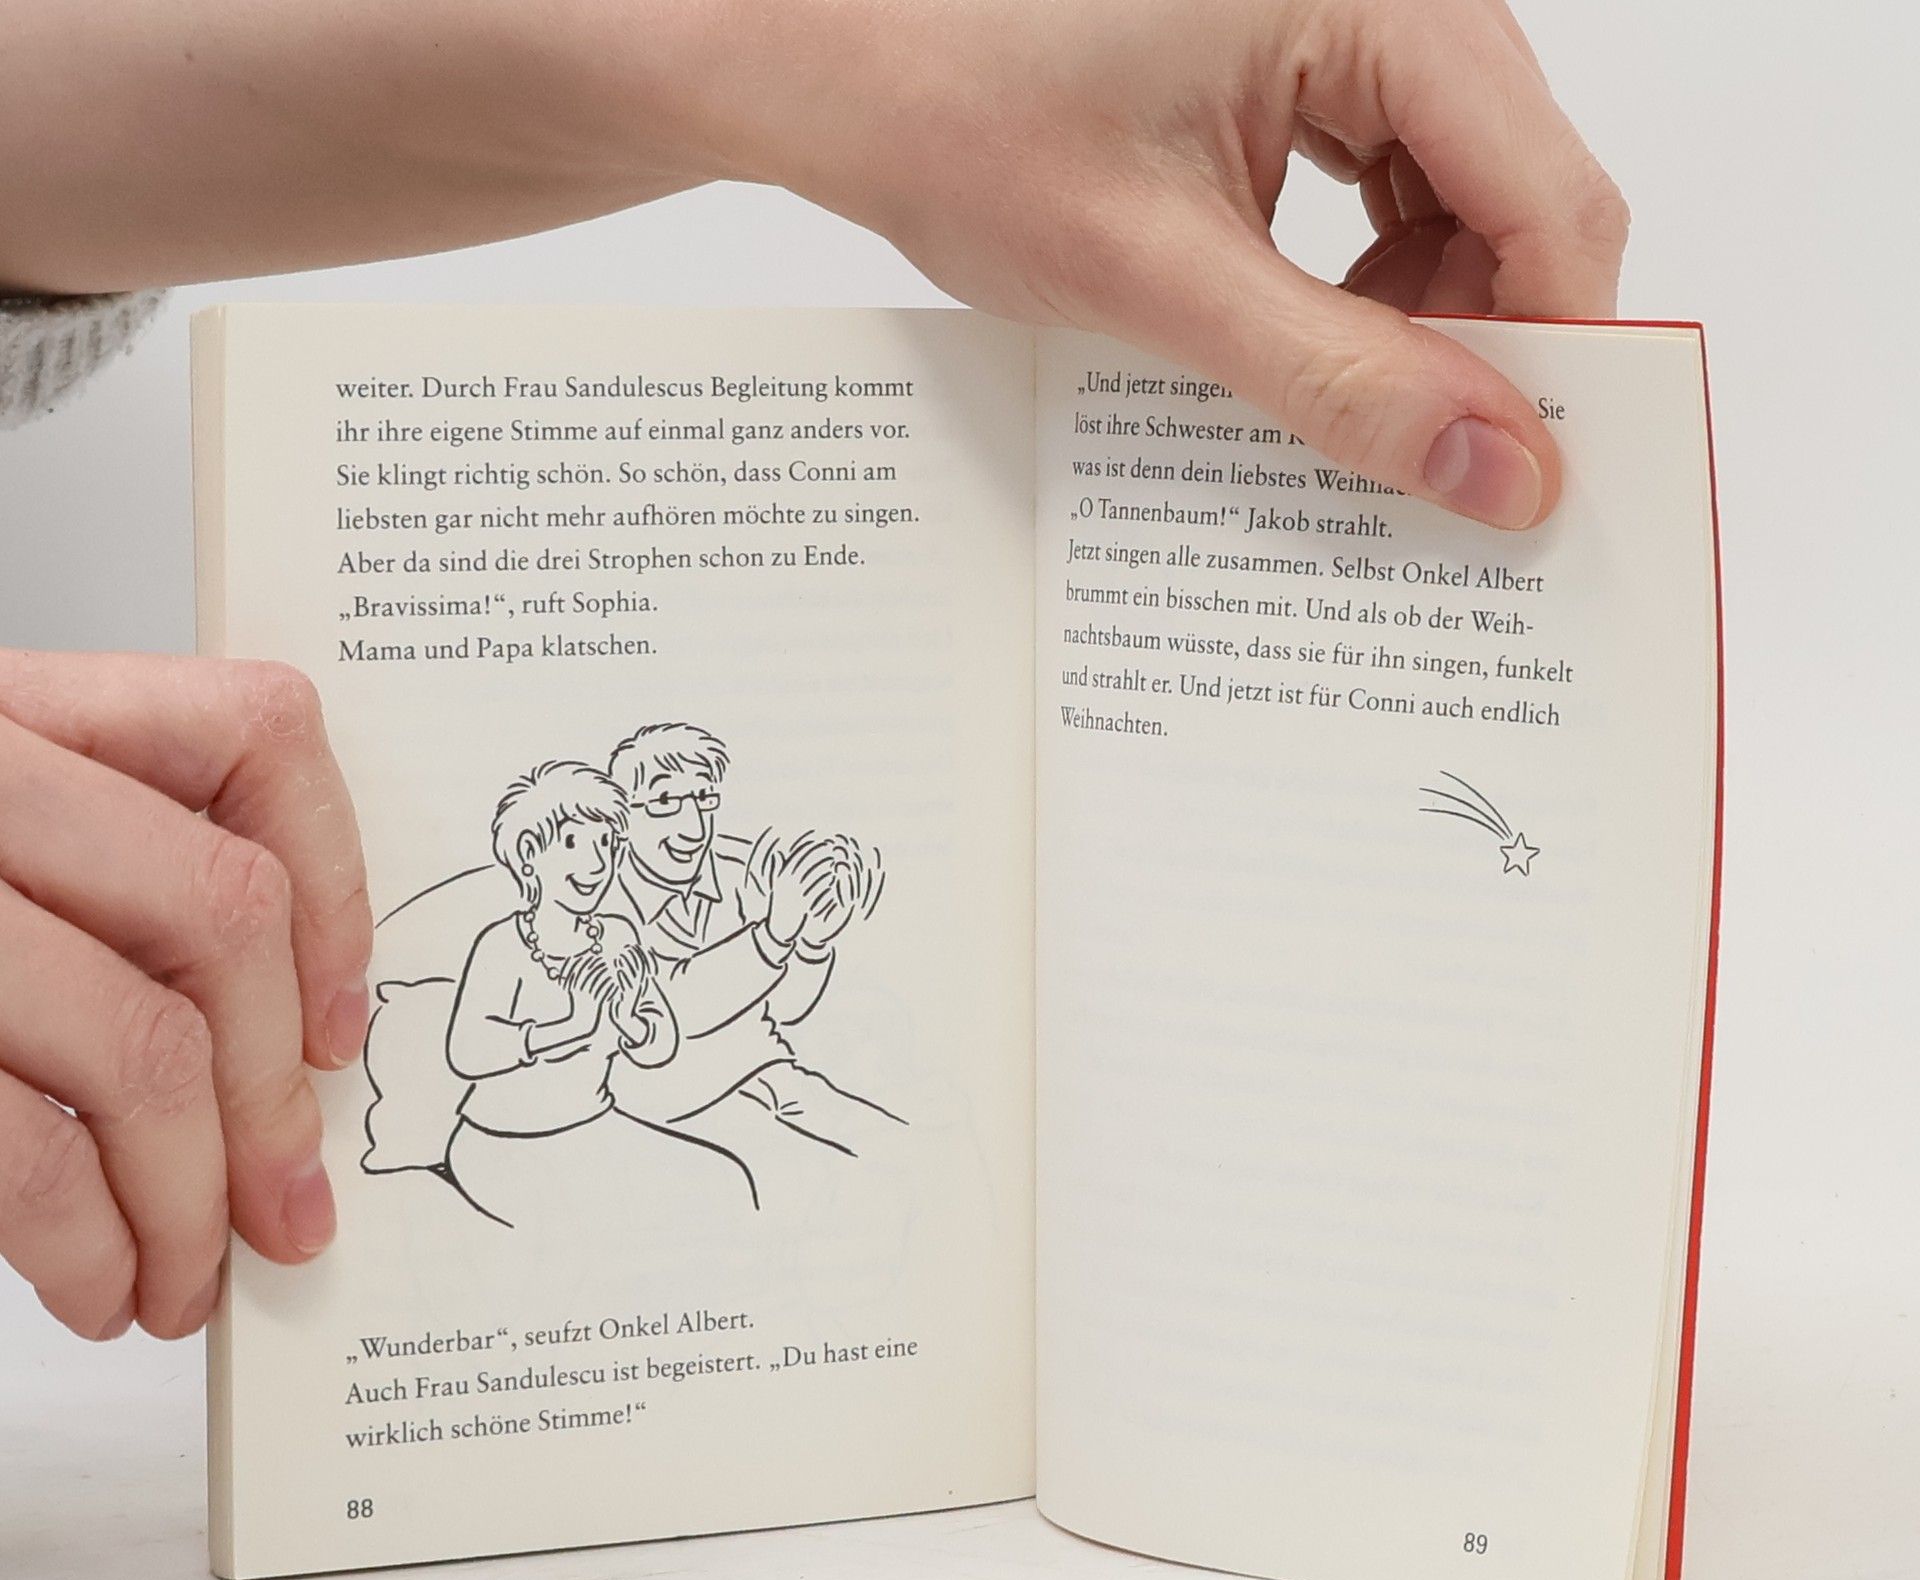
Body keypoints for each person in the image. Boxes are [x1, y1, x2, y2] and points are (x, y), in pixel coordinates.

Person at [0, 0, 1628, 1340]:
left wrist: (859, 48)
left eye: (666, 810)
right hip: (564, 1203)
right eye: (618, 822)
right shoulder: (516, 945)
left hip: (718, 1106)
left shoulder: (682, 904)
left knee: (878, 1155)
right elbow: (528, 1059)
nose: (647, 840)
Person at [440, 761, 754, 1226]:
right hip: (500, 1142)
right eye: (572, 843)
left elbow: (662, 1044)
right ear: (528, 853)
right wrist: (569, 1027)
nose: (595, 863)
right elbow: (466, 1051)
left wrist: (632, 1024)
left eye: (605, 844)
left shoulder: (617, 935)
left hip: (592, 1125)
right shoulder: (502, 944)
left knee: (725, 1182)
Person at [602, 725, 898, 1156]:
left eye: (704, 797)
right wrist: (773, 936)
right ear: (622, 817)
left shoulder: (742, 868)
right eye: (665, 801)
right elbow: (673, 1013)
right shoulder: (596, 895)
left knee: (896, 1144)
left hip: (767, 1071)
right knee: (809, 1168)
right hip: (667, 1102)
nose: (694, 828)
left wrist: (812, 943)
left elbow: (784, 1010)